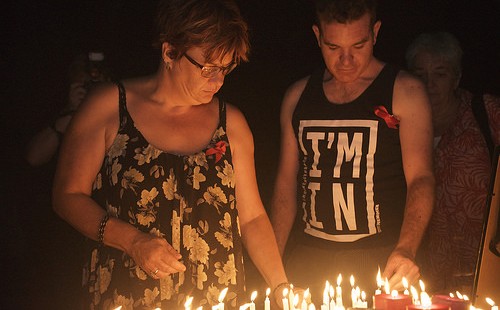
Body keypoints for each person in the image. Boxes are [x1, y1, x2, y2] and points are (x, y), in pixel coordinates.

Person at [52, 0, 289, 308]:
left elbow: (253, 217)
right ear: (170, 52)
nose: (218, 81)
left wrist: (282, 286)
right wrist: (133, 242)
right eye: (208, 68)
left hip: (216, 296)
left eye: (226, 69)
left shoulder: (231, 123)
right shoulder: (109, 107)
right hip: (130, 294)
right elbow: (67, 196)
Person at [270, 0, 435, 303]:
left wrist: (406, 248)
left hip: (382, 261)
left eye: (358, 46)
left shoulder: (404, 91)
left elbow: (421, 178)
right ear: (317, 36)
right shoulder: (297, 96)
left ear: (375, 32)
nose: (346, 60)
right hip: (309, 261)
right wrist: (272, 271)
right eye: (333, 48)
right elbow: (285, 187)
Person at [405, 31, 500, 295]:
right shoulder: (399, 125)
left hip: (489, 268)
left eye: (440, 74)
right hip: (427, 274)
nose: (428, 83)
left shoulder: (485, 112)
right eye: (420, 74)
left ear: (456, 78)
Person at [24, 51, 112, 167]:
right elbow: (34, 158)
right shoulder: (62, 113)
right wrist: (72, 111)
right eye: (86, 84)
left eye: (96, 83)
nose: (91, 87)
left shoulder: (124, 111)